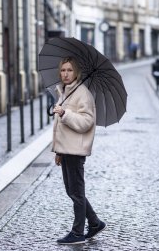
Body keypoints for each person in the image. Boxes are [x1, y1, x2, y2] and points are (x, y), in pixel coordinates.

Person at [52, 56, 106, 245]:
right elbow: (62, 127)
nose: (65, 74)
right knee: (72, 191)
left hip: (76, 150)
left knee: (76, 192)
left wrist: (65, 113)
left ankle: (77, 233)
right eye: (63, 70)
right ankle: (94, 223)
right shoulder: (65, 92)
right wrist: (59, 151)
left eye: (69, 70)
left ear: (76, 73)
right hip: (67, 150)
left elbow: (86, 122)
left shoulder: (83, 93)